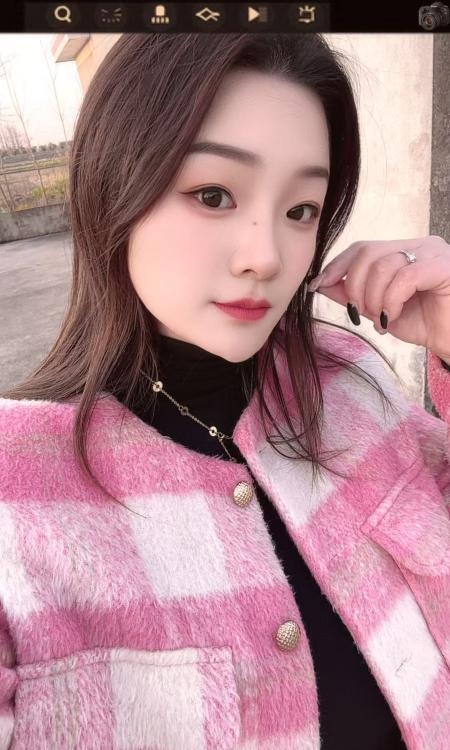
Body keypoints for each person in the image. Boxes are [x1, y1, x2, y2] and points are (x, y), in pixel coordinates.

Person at [0, 32, 449, 750]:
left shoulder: (349, 384)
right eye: (213, 195)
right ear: (114, 186)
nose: (266, 256)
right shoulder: (18, 495)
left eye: (301, 209)